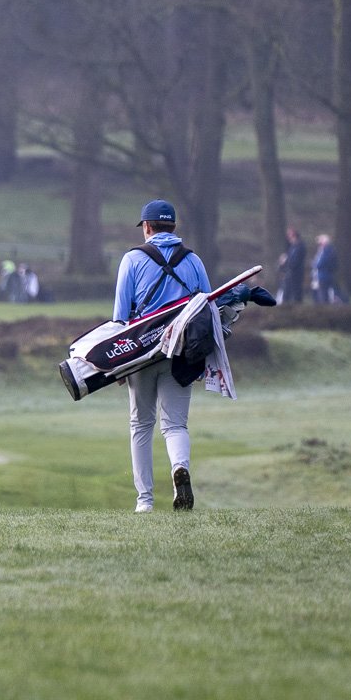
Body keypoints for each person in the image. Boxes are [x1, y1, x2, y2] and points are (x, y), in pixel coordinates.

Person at [113, 199, 211, 513]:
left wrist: (117, 363)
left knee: (141, 424)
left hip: (141, 354)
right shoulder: (194, 260)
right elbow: (207, 308)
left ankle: (144, 502)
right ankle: (178, 467)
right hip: (181, 354)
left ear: (147, 227)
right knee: (175, 425)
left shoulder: (132, 259)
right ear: (173, 227)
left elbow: (119, 319)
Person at [277, 227, 307, 305]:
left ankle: (297, 308)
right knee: (286, 292)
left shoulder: (300, 246)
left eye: (290, 235)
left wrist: (286, 261)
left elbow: (296, 261)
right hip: (290, 273)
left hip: (296, 273)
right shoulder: (292, 247)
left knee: (296, 292)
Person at [312, 233, 344, 304]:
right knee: (317, 294)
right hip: (317, 276)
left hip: (323, 276)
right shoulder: (322, 251)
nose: (319, 244)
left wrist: (316, 265)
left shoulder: (327, 251)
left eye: (320, 242)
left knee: (323, 294)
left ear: (324, 242)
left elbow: (320, 263)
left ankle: (325, 308)